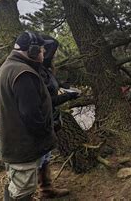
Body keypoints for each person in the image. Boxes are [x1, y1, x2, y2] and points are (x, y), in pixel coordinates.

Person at [0, 31, 56, 200]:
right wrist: (46, 133)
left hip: (16, 144)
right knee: (22, 192)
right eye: (43, 50)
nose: (44, 54)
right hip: (24, 145)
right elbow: (31, 115)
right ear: (33, 50)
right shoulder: (23, 73)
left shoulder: (9, 67)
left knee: (15, 187)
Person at [36, 35, 77, 199]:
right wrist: (69, 96)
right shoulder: (36, 71)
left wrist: (64, 87)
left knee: (45, 156)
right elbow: (47, 100)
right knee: (37, 159)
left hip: (50, 119)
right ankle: (31, 192)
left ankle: (46, 189)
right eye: (50, 51)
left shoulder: (45, 69)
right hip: (42, 119)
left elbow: (52, 86)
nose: (53, 54)